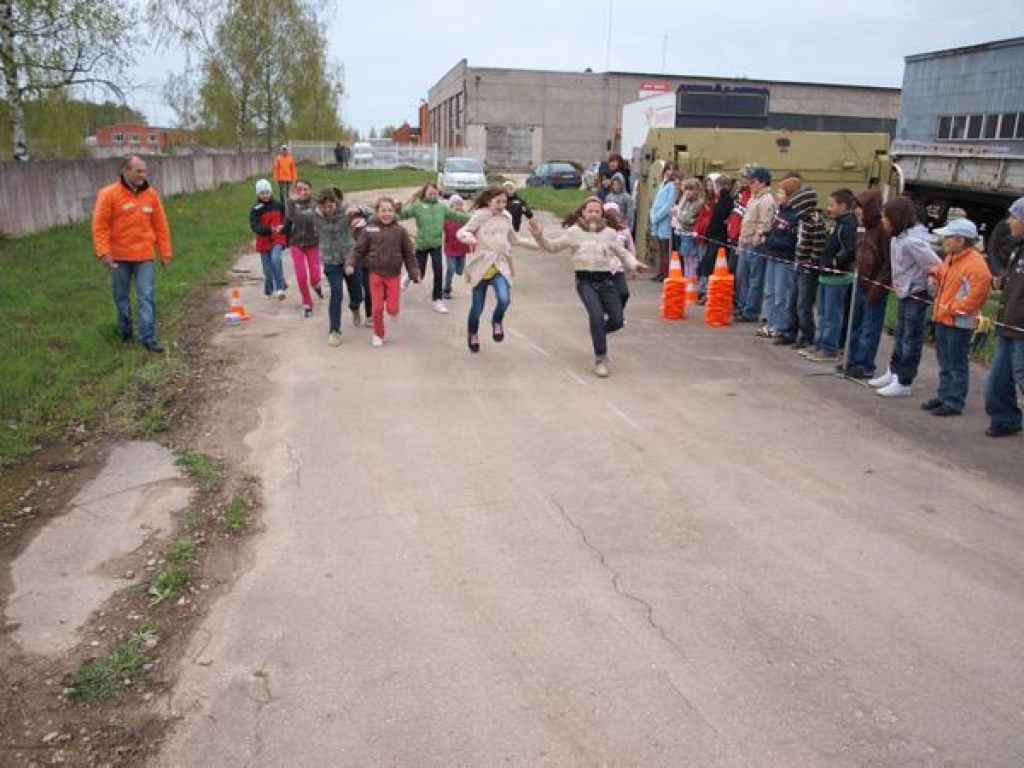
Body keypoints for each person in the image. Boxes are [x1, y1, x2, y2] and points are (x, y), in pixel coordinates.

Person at [532, 197, 647, 377]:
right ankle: (601, 359)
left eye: (597, 211)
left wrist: (634, 264)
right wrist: (538, 235)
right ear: (583, 213)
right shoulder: (573, 232)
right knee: (596, 315)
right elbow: (552, 247)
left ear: (602, 214)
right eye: (590, 211)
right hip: (585, 282)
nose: (593, 214)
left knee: (617, 320)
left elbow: (623, 253)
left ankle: (598, 330)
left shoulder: (609, 233)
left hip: (606, 281)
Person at [92, 154, 173, 353]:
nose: (143, 175)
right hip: (119, 258)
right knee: (121, 297)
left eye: (144, 171)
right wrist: (104, 253)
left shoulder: (151, 195)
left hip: (144, 256)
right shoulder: (109, 194)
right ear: (125, 171)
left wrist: (165, 252)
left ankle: (148, 337)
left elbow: (160, 225)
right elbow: (99, 226)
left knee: (146, 296)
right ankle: (125, 329)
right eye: (138, 171)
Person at [920, 218, 992, 416]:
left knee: (956, 363)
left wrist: (950, 308)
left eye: (947, 238)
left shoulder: (975, 266)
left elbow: (976, 297)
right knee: (944, 360)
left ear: (960, 241)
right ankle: (944, 395)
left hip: (959, 322)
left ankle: (954, 401)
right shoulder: (952, 257)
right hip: (945, 317)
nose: (944, 241)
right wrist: (934, 275)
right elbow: (943, 272)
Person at [871, 197, 942, 397]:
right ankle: (893, 372)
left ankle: (904, 380)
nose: (883, 221)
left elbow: (935, 264)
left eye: (885, 217)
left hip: (916, 294)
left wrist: (930, 278)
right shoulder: (897, 238)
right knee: (900, 334)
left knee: (910, 337)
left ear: (896, 218)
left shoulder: (913, 242)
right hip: (904, 292)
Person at [456, 187, 539, 354]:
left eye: (504, 202)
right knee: (477, 308)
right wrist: (468, 237)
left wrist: (537, 244)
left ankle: (497, 321)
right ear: (489, 201)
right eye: (498, 202)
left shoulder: (507, 216)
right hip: (482, 265)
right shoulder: (480, 215)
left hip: (500, 264)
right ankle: (472, 334)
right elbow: (462, 231)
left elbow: (514, 239)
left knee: (504, 299)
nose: (502, 205)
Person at [344, 197, 421, 347]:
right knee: (377, 308)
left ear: (394, 212)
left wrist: (414, 272)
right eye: (383, 210)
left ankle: (393, 311)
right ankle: (378, 334)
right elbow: (358, 250)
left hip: (393, 274)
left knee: (392, 309)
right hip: (375, 274)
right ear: (377, 212)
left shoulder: (400, 231)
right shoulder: (369, 229)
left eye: (390, 210)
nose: (386, 214)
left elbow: (409, 254)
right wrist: (350, 263)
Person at [983, 196, 1024, 437]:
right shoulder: (1016, 248)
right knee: (996, 384)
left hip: (1021, 328)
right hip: (1008, 325)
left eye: (1015, 217)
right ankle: (1005, 418)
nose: (1009, 223)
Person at [840, 190, 891, 377]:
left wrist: (878, 285)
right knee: (855, 323)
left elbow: (887, 262)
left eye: (861, 208)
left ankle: (865, 364)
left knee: (870, 327)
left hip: (874, 286)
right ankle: (851, 359)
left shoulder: (881, 231)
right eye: (856, 208)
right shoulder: (861, 228)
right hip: (859, 282)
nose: (857, 212)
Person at [399, 181, 469, 314]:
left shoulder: (441, 208)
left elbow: (457, 216)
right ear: (425, 193)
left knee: (438, 271)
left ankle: (437, 300)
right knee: (420, 273)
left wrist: (474, 218)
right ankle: (408, 276)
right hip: (422, 245)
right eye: (430, 193)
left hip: (436, 245)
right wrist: (397, 209)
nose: (432, 195)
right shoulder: (417, 206)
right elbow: (403, 215)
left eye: (435, 194)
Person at [803, 188, 856, 362]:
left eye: (832, 205)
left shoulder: (848, 225)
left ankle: (830, 349)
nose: (829, 208)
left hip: (837, 277)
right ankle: (820, 343)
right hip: (825, 275)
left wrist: (834, 262)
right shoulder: (837, 223)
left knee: (832, 315)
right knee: (823, 312)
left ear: (842, 205)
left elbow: (849, 250)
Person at [313, 187, 360, 346]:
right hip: (330, 261)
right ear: (320, 206)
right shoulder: (315, 216)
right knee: (336, 293)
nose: (328, 209)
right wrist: (293, 201)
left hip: (350, 258)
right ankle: (334, 331)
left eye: (331, 205)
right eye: (324, 206)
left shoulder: (346, 210)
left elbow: (367, 211)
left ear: (336, 202)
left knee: (357, 294)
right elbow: (295, 215)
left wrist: (359, 210)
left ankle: (354, 307)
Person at [785, 180, 826, 350]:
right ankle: (790, 331)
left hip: (807, 269)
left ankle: (807, 335)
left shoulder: (815, 221)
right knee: (792, 301)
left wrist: (810, 264)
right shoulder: (803, 220)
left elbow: (818, 246)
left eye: (796, 206)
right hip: (797, 264)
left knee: (804, 304)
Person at [734, 166, 776, 323]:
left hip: (755, 245)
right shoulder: (753, 198)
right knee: (742, 277)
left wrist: (755, 242)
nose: (750, 184)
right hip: (745, 242)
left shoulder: (766, 200)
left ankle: (751, 311)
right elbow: (746, 221)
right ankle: (744, 306)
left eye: (753, 182)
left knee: (755, 279)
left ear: (763, 182)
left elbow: (764, 224)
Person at [760, 181, 799, 340]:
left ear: (790, 197)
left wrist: (769, 241)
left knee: (780, 295)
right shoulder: (779, 212)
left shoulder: (794, 217)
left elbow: (790, 242)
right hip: (772, 257)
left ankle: (779, 325)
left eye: (781, 193)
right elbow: (775, 233)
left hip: (784, 260)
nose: (778, 196)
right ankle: (769, 322)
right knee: (769, 292)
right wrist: (768, 235)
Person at [284, 179, 323, 318]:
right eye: (299, 190)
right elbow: (290, 218)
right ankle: (307, 303)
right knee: (301, 276)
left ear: (310, 190)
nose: (302, 192)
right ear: (295, 192)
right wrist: (291, 202)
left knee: (315, 275)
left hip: (313, 244)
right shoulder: (292, 205)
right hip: (296, 244)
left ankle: (316, 284)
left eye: (305, 189)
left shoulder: (315, 205)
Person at [249, 178, 288, 300]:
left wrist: (284, 228)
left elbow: (286, 220)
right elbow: (255, 226)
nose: (265, 195)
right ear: (258, 194)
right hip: (263, 242)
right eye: (262, 193)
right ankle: (269, 289)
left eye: (267, 192)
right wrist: (268, 229)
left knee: (276, 259)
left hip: (277, 238)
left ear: (271, 192)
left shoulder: (279, 205)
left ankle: (280, 288)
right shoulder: (255, 209)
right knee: (267, 271)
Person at [696, 174, 734, 300]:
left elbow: (719, 218)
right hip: (715, 238)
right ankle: (708, 292)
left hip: (718, 239)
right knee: (709, 266)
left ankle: (712, 294)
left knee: (712, 267)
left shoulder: (724, 200)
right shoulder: (722, 200)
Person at [603, 200, 637, 309]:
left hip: (618, 268)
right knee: (606, 295)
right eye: (609, 212)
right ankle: (609, 313)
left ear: (617, 213)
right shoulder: (599, 230)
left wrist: (633, 267)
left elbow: (631, 248)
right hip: (603, 268)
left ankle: (617, 313)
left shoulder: (624, 230)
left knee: (624, 293)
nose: (612, 215)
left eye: (614, 212)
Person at [648, 161, 678, 281]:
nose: (670, 172)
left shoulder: (673, 186)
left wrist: (657, 216)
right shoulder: (663, 184)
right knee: (660, 248)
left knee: (666, 248)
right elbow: (656, 202)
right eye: (668, 169)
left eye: (672, 169)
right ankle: (661, 271)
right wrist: (652, 214)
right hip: (657, 220)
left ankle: (666, 273)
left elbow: (669, 204)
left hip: (665, 220)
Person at [442, 194, 470, 299]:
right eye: (456, 204)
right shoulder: (447, 218)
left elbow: (473, 228)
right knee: (451, 269)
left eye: (460, 203)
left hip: (462, 249)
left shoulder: (465, 217)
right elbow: (439, 228)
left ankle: (448, 285)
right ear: (451, 206)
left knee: (459, 271)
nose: (459, 205)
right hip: (450, 249)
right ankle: (446, 289)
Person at [673, 178, 702, 278]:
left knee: (693, 262)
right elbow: (682, 217)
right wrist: (682, 216)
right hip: (684, 234)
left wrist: (681, 216)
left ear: (697, 190)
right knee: (686, 261)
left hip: (691, 236)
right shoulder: (686, 202)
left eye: (691, 189)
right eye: (686, 189)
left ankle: (692, 283)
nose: (688, 192)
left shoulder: (698, 203)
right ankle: (687, 282)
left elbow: (688, 219)